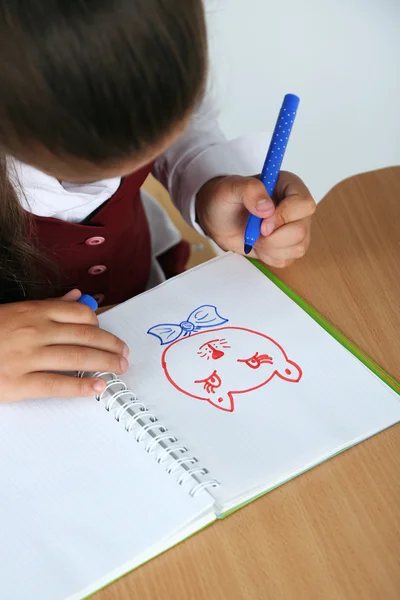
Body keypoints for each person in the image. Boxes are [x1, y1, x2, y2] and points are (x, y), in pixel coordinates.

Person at [0, 0, 315, 403]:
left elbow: (185, 134)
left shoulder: (137, 50)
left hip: (138, 296)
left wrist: (210, 189)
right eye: (84, 172)